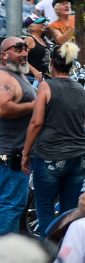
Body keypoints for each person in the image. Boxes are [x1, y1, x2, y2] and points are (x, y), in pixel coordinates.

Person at [22, 43, 85, 236]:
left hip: (50, 155)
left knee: (45, 209)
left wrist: (26, 153)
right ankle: (66, 254)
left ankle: (48, 256)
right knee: (69, 213)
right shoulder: (81, 89)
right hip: (78, 157)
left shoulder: (46, 86)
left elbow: (36, 123)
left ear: (51, 64)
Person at [0, 36, 38, 237]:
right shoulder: (2, 78)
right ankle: (3, 257)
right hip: (10, 152)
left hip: (14, 151)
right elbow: (2, 108)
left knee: (6, 203)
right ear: (4, 54)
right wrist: (36, 105)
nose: (24, 53)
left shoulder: (17, 74)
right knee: (11, 204)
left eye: (25, 49)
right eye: (18, 50)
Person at [25, 14, 51, 80]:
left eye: (43, 23)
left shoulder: (44, 40)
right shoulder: (29, 39)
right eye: (40, 23)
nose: (43, 24)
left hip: (44, 77)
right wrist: (34, 71)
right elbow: (21, 58)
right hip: (32, 78)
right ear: (31, 27)